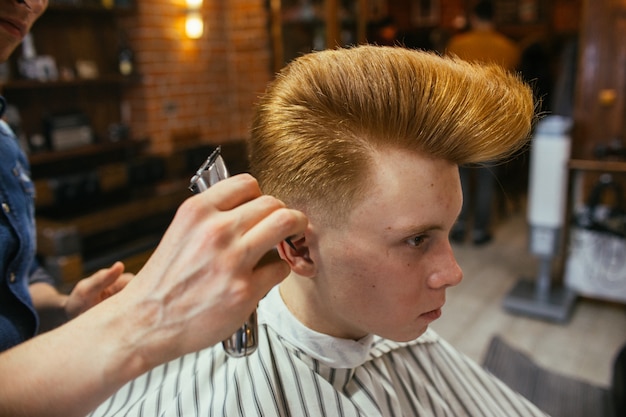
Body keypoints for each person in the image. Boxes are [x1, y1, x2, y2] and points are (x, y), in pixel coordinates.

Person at [90, 45, 547, 416]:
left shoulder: (391, 331)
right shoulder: (225, 396)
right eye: (416, 240)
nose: (452, 273)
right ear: (298, 247)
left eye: (448, 231)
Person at [0, 1, 307, 416]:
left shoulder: (5, 141)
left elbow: (18, 276)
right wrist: (143, 316)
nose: (33, 2)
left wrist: (65, 309)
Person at [446, 0, 521, 246]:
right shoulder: (510, 48)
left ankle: (458, 226)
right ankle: (479, 230)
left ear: (474, 18)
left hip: (461, 120)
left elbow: (448, 85)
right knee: (488, 178)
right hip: (493, 122)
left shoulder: (458, 44)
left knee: (460, 177)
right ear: (494, 19)